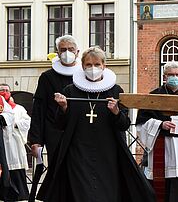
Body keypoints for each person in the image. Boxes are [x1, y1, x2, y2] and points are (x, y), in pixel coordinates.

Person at [36, 47, 155, 202]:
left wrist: (116, 112)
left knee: (107, 191)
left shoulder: (115, 90)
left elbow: (124, 124)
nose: (93, 68)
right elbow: (59, 124)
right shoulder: (71, 91)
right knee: (80, 191)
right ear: (83, 66)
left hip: (108, 151)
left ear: (104, 66)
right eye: (88, 65)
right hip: (78, 151)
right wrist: (64, 108)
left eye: (97, 64)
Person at [135, 61, 178, 202]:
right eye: (171, 74)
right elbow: (141, 123)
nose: (174, 77)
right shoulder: (153, 97)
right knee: (160, 193)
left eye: (177, 74)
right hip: (161, 147)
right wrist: (160, 124)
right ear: (164, 77)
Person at [28, 35, 81, 162]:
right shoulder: (47, 77)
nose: (67, 53)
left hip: (79, 133)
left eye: (71, 49)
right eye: (63, 50)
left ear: (77, 52)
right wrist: (36, 140)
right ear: (57, 52)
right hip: (55, 134)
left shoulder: (83, 75)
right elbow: (39, 109)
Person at [0, 83, 30, 201]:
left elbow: (27, 121)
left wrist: (16, 124)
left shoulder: (18, 108)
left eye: (6, 90)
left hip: (14, 141)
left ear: (10, 92)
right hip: (3, 142)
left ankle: (20, 193)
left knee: (16, 165)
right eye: (2, 90)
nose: (4, 92)